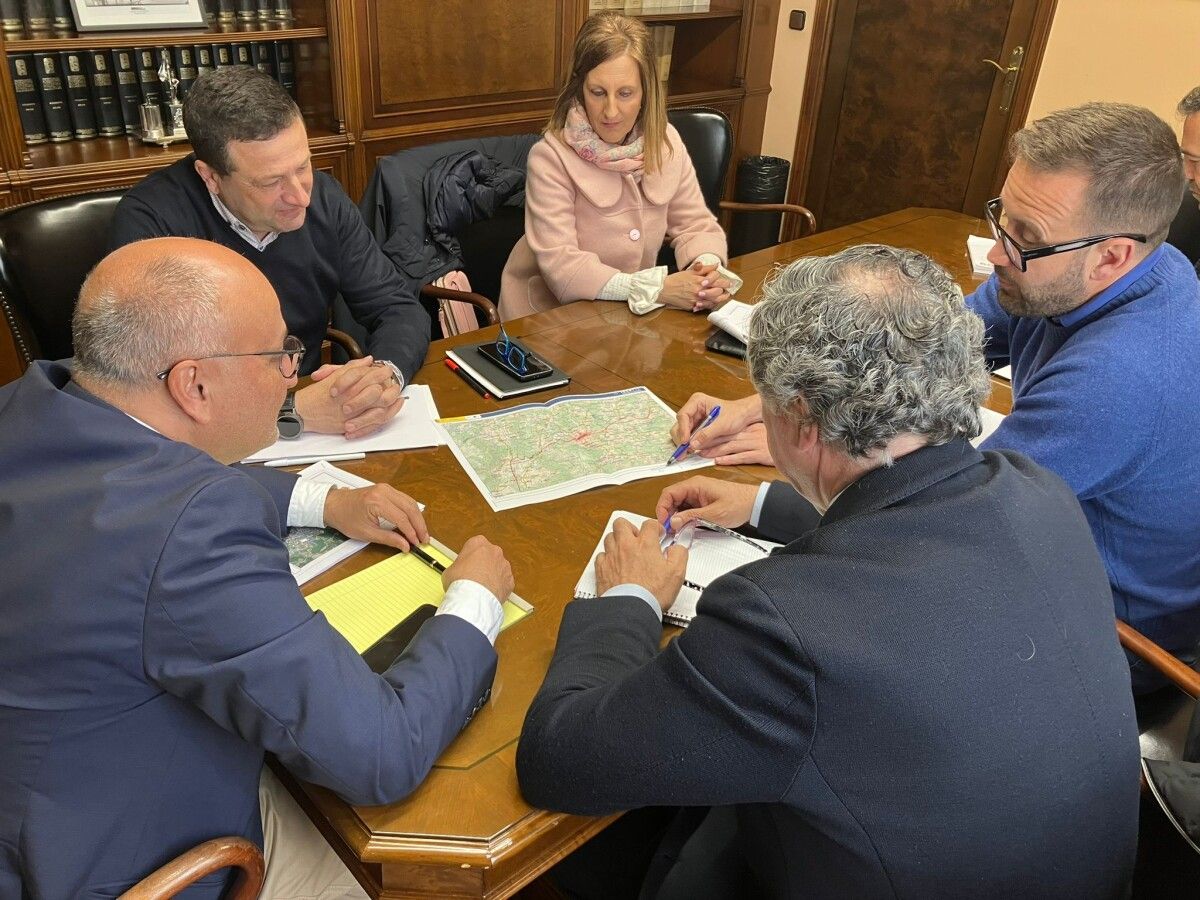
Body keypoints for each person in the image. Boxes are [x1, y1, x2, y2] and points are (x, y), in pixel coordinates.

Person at [518, 245, 1139, 899]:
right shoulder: (1036, 491)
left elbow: (558, 760)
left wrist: (629, 597)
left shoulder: (781, 624)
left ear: (801, 420)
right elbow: (915, 521)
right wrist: (761, 503)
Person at [0, 237, 513, 900]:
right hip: (123, 866)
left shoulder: (35, 401)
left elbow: (143, 495)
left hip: (38, 808)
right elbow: (382, 754)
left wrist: (322, 498)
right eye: (280, 355)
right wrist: (474, 599)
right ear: (194, 383)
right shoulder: (192, 531)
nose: (292, 375)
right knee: (431, 867)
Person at [672, 102, 1200, 690]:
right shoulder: (1083, 272)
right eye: (1004, 218)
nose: (997, 254)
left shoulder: (1120, 376)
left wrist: (782, 483)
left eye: (1025, 238)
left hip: (1110, 640)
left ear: (1112, 256)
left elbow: (948, 518)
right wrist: (773, 400)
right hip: (1029, 551)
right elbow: (920, 355)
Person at [110, 66, 430, 440]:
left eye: (303, 166)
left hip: (314, 416)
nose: (300, 196)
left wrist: (384, 377)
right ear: (210, 176)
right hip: (204, 440)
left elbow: (396, 307)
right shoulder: (151, 224)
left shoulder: (324, 199)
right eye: (271, 182)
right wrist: (290, 414)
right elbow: (142, 386)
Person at [499, 12, 741, 320]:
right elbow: (563, 267)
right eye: (597, 93)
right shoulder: (549, 158)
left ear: (645, 92)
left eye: (625, 93)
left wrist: (707, 271)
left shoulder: (666, 140)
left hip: (627, 319)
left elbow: (694, 224)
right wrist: (657, 289)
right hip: (548, 323)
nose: (610, 111)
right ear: (579, 89)